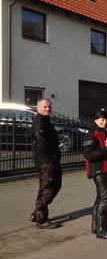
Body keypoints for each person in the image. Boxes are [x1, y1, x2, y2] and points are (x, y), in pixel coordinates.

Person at [83, 109, 107, 240]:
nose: (104, 122)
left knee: (100, 199)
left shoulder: (104, 132)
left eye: (106, 119)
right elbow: (89, 155)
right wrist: (105, 149)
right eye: (101, 120)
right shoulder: (91, 134)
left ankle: (96, 226)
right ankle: (101, 230)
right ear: (95, 120)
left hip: (105, 169)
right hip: (99, 170)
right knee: (106, 199)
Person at [31, 98, 62, 229]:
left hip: (51, 160)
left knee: (55, 186)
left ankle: (36, 213)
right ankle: (41, 219)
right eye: (44, 107)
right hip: (47, 161)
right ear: (38, 108)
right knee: (47, 188)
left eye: (49, 107)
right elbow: (42, 144)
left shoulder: (46, 121)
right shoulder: (40, 123)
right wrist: (52, 157)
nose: (47, 109)